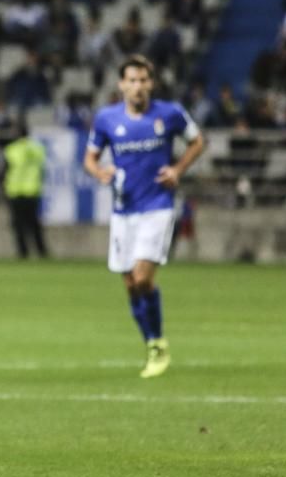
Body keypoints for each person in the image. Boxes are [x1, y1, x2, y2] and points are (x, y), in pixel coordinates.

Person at [83, 55, 205, 378]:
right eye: (132, 81)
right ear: (122, 84)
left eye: (143, 80)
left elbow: (198, 141)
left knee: (142, 277)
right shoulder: (107, 118)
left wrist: (178, 169)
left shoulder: (170, 113)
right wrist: (100, 172)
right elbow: (90, 158)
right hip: (124, 210)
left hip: (158, 206)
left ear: (151, 83)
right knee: (130, 284)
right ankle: (151, 342)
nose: (138, 87)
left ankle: (158, 345)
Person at [2, 123, 48, 259]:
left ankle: (23, 253)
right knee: (34, 224)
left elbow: (5, 171)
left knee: (18, 225)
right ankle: (41, 251)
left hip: (15, 191)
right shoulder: (38, 149)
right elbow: (41, 169)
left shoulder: (11, 149)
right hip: (33, 190)